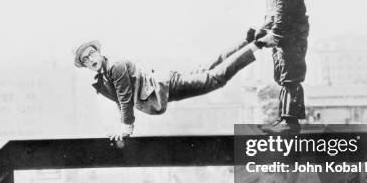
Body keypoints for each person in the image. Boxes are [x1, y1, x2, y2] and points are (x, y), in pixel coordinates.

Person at [73, 33, 262, 141]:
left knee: (214, 80)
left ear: (99, 52)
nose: (91, 60)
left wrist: (126, 127)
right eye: (86, 60)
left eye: (91, 54)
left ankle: (256, 45)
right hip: (166, 87)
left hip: (167, 86)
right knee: (209, 69)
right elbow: (119, 101)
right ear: (85, 65)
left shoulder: (115, 67)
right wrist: (122, 127)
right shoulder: (105, 76)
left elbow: (125, 99)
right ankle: (249, 39)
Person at [245, 0, 310, 133]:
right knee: (283, 75)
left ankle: (290, 123)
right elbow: (272, 10)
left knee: (290, 75)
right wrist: (262, 31)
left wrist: (275, 33)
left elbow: (282, 6)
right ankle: (284, 120)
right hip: (284, 32)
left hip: (292, 32)